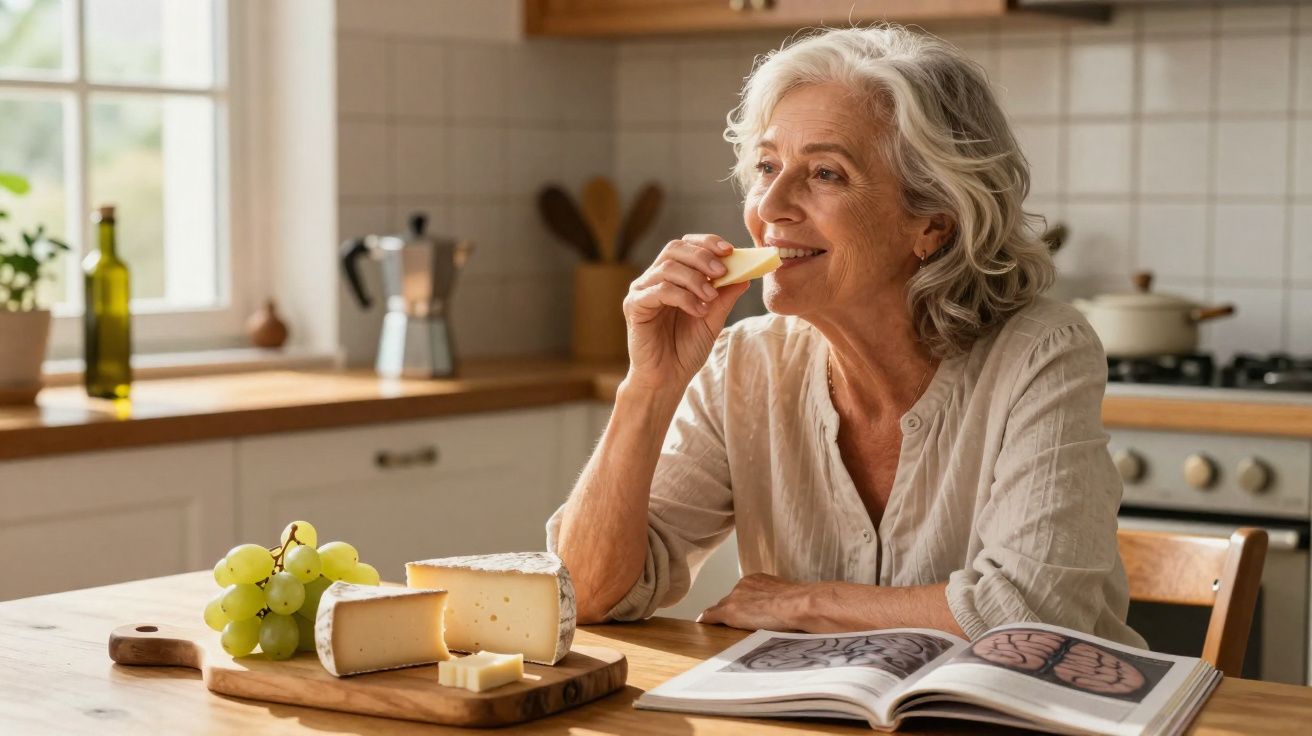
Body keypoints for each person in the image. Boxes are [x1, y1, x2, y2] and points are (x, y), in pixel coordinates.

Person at [548, 25, 1144, 647]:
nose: (770, 205)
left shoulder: (1041, 352)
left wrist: (807, 602)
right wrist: (650, 384)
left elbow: (1032, 613)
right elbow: (587, 594)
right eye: (767, 166)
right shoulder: (745, 362)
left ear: (932, 224)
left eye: (826, 173)